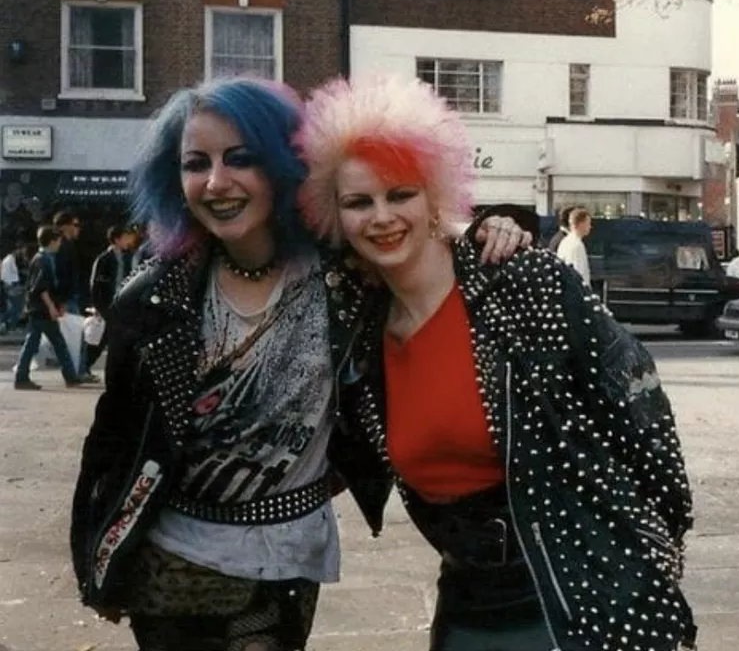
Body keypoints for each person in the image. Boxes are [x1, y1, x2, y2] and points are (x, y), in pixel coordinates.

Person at [69, 76, 526, 651]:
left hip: (288, 558)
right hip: (172, 563)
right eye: (195, 164)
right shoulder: (153, 298)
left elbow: (413, 229)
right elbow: (112, 440)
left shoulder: (347, 272)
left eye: (241, 158)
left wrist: (489, 224)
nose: (216, 182)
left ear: (286, 165)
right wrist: (97, 558)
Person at [295, 75, 696, 651]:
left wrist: (655, 559)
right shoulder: (357, 329)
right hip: (467, 602)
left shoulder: (520, 281)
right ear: (335, 215)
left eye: (400, 193)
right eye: (359, 201)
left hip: (582, 590)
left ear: (435, 195)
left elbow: (642, 411)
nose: (381, 217)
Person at [12, 226, 92, 391]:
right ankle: (24, 377)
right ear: (52, 241)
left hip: (40, 308)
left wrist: (56, 305)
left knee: (47, 342)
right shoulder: (43, 260)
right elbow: (41, 288)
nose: (60, 245)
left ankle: (67, 376)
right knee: (43, 343)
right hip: (40, 309)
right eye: (58, 241)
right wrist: (51, 307)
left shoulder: (43, 258)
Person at [84, 225, 136, 378]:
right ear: (117, 239)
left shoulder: (128, 257)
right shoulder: (104, 259)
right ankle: (84, 367)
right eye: (126, 237)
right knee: (100, 340)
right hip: (108, 305)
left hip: (122, 305)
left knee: (115, 340)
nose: (129, 240)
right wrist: (99, 306)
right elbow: (96, 285)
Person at [556, 206, 592, 287]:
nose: (590, 227)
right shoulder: (576, 245)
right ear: (581, 224)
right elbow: (578, 273)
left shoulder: (566, 242)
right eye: (588, 223)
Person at [1, 239, 27, 332]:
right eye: (22, 250)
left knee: (15, 307)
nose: (23, 252)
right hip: (11, 285)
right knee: (17, 307)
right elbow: (7, 275)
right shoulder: (10, 260)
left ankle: (8, 324)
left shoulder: (9, 259)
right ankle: (8, 324)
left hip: (10, 285)